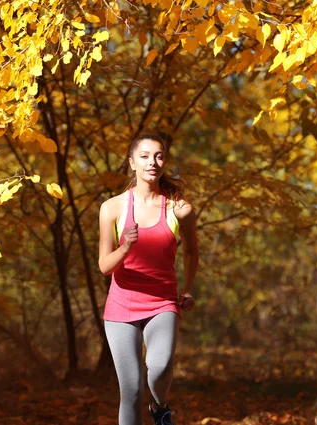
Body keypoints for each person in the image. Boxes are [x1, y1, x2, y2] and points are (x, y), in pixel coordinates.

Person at [98, 133, 199, 425]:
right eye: (144, 156)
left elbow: (192, 251)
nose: (152, 162)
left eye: (158, 156)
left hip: (163, 302)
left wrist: (189, 289)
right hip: (121, 307)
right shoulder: (113, 208)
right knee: (130, 391)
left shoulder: (179, 209)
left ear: (164, 162)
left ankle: (159, 407)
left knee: (159, 366)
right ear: (132, 162)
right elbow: (105, 266)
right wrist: (126, 247)